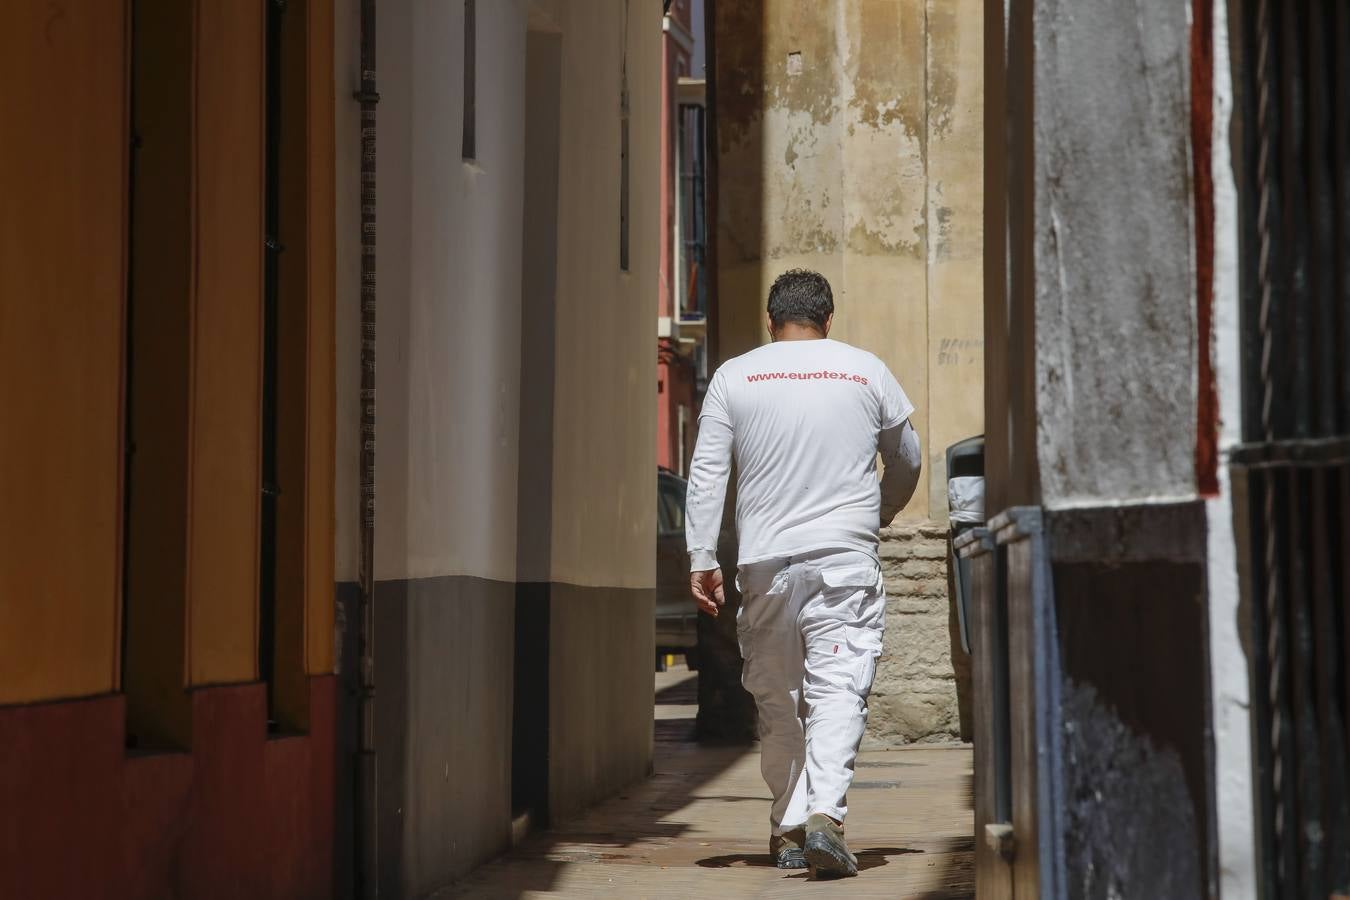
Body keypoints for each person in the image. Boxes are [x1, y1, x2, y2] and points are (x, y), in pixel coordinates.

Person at [683, 269, 921, 879]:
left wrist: (702, 558)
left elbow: (708, 472)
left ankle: (788, 828)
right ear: (828, 320)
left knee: (778, 697)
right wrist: (882, 510)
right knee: (839, 686)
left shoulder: (736, 375)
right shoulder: (864, 369)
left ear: (771, 322)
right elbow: (907, 457)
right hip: (843, 556)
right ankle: (825, 817)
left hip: (764, 563)